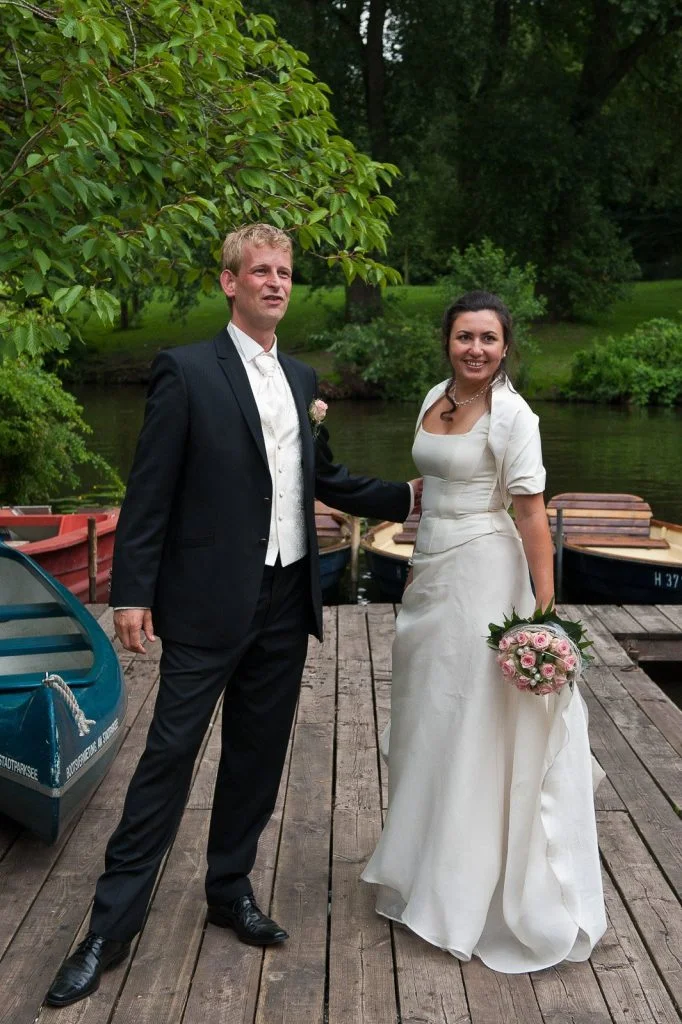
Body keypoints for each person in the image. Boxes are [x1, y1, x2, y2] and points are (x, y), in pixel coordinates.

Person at [46, 223, 421, 1007]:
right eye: (261, 271)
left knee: (257, 756)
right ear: (229, 282)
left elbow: (327, 476)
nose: (276, 283)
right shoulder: (185, 372)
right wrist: (131, 592)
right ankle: (109, 930)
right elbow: (149, 492)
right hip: (208, 600)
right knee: (167, 761)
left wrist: (412, 498)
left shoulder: (300, 376)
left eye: (285, 272)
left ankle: (229, 891)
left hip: (288, 602)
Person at [361, 291, 606, 973]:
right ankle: (420, 866)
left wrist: (543, 610)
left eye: (488, 340)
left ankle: (469, 892)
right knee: (427, 720)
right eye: (465, 336)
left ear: (506, 347)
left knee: (470, 723)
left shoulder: (513, 417)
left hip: (483, 578)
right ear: (448, 340)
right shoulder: (436, 397)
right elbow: (431, 488)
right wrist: (413, 559)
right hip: (432, 573)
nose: (475, 349)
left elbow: (531, 514)